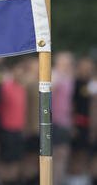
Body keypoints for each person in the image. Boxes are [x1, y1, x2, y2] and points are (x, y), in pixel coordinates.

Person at [0, 60, 27, 185]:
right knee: (5, 160)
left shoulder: (22, 88)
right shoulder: (5, 87)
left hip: (18, 129)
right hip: (6, 128)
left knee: (16, 159)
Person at [67, 57, 95, 183]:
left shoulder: (92, 84)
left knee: (86, 155)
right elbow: (70, 104)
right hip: (78, 124)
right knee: (76, 155)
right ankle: (73, 179)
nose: (86, 70)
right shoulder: (75, 83)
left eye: (89, 67)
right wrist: (72, 124)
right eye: (84, 67)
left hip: (90, 125)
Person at [52, 51, 75, 185]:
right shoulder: (54, 75)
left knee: (63, 155)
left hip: (65, 121)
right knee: (55, 155)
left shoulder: (69, 78)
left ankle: (58, 181)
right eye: (64, 63)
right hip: (54, 121)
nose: (66, 65)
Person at [22, 57, 40, 185]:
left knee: (36, 158)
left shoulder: (42, 82)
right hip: (28, 127)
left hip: (40, 127)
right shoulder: (26, 82)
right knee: (28, 158)